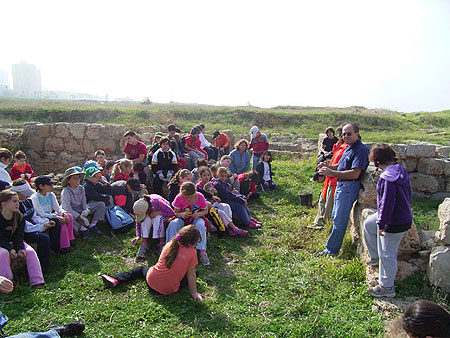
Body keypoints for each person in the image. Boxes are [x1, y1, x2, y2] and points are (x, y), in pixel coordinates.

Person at [102, 225, 205, 301]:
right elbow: (191, 275)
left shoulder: (170, 244)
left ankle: (116, 278)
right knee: (195, 273)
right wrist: (194, 292)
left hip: (151, 281)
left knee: (140, 269)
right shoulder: (192, 252)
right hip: (169, 290)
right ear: (192, 242)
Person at [364, 144, 413, 298]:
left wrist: (382, 224)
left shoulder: (387, 178)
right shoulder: (400, 170)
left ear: (377, 162)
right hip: (403, 215)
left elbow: (387, 204)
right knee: (368, 224)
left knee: (388, 254)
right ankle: (375, 257)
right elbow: (408, 194)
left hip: (394, 221)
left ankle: (387, 288)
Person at [315, 123, 369, 257]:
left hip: (349, 186)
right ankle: (331, 247)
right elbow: (342, 166)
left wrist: (331, 173)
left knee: (339, 219)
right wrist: (329, 167)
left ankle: (331, 251)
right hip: (342, 185)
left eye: (349, 133)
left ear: (357, 133)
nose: (345, 136)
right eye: (344, 134)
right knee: (335, 216)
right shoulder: (350, 148)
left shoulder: (361, 150)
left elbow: (355, 173)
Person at [12, 179, 60, 273]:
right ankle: (43, 266)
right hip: (23, 232)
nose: (27, 195)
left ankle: (55, 250)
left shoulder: (28, 201)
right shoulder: (16, 207)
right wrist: (41, 227)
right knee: (43, 238)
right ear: (16, 193)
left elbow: (34, 216)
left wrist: (44, 223)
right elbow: (24, 225)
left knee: (55, 223)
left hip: (33, 226)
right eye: (24, 193)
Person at [0, 190, 45, 288]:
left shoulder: (19, 217)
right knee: (3, 254)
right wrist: (10, 249)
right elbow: (1, 238)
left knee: (30, 252)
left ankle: (37, 281)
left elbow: (19, 235)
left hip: (14, 243)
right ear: (4, 204)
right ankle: (7, 284)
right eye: (14, 201)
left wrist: (19, 248)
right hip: (1, 245)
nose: (18, 204)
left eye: (18, 201)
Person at [308, 126, 347, 230]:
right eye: (341, 135)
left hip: (335, 179)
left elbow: (342, 166)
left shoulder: (345, 149)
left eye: (340, 135)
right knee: (322, 200)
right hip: (329, 178)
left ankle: (323, 224)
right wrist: (326, 165)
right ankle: (318, 221)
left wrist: (329, 168)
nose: (341, 137)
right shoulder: (338, 147)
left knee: (328, 204)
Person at [166, 182, 210, 265]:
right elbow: (175, 213)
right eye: (186, 198)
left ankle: (202, 251)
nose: (188, 200)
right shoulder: (179, 197)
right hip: (183, 219)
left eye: (190, 197)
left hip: (196, 217)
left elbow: (205, 210)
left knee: (200, 225)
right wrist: (181, 214)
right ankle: (169, 248)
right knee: (173, 224)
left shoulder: (200, 196)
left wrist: (198, 214)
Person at [196, 166, 248, 237]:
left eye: (208, 175)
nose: (206, 177)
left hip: (214, 203)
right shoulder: (198, 186)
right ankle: (233, 229)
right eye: (204, 175)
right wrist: (207, 191)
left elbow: (215, 195)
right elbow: (201, 197)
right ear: (200, 176)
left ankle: (229, 227)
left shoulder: (210, 184)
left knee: (226, 206)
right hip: (207, 205)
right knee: (222, 213)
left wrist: (215, 192)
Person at [31, 176, 74, 254]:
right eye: (49, 185)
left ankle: (70, 239)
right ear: (41, 186)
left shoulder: (51, 195)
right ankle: (59, 247)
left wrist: (64, 213)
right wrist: (56, 216)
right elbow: (41, 213)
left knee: (69, 216)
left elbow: (57, 208)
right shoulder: (35, 197)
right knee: (58, 222)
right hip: (41, 219)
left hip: (50, 215)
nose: (52, 186)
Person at [61, 167, 105, 237]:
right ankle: (82, 229)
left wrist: (86, 209)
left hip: (81, 209)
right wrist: (79, 216)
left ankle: (93, 225)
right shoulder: (66, 191)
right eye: (75, 178)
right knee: (67, 217)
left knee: (100, 204)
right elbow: (67, 208)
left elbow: (83, 201)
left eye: (78, 178)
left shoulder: (81, 188)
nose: (78, 180)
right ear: (68, 181)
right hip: (72, 211)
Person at [131, 194, 174, 261]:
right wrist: (138, 235)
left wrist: (159, 212)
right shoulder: (140, 207)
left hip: (161, 215)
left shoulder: (158, 202)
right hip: (150, 216)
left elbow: (171, 213)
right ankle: (144, 243)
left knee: (157, 219)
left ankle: (161, 243)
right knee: (146, 220)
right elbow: (139, 221)